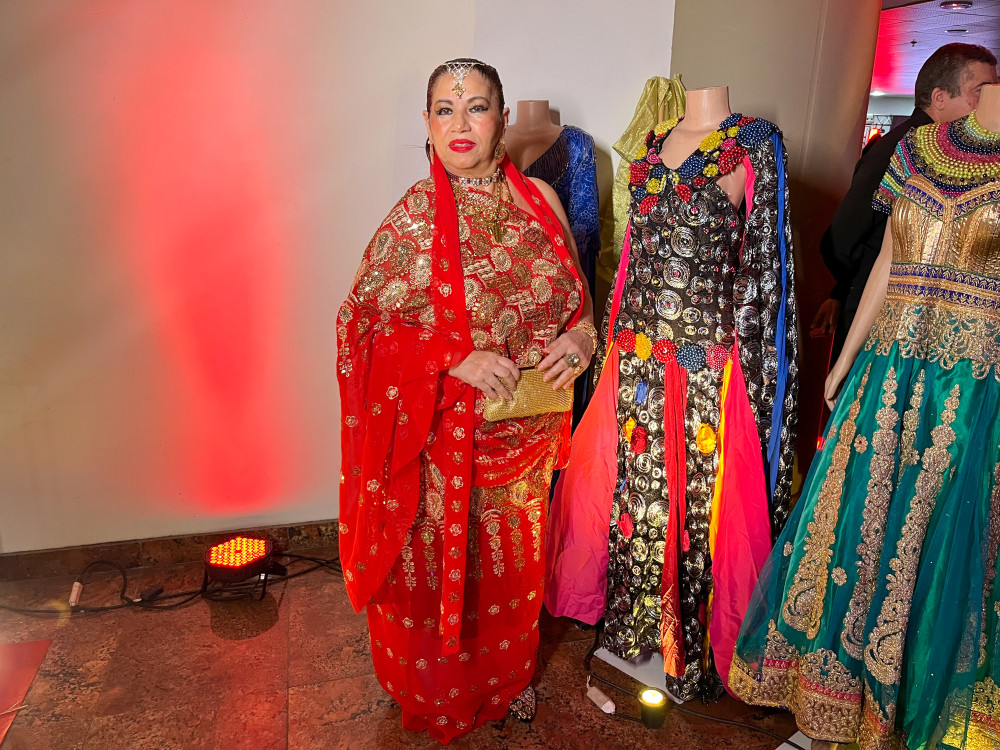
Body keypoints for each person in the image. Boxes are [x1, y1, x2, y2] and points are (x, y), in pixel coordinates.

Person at [730, 82, 1000, 750]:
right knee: (857, 527)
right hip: (887, 371)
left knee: (936, 545)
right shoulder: (919, 148)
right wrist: (848, 356)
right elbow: (887, 258)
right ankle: (833, 706)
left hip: (971, 388)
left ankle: (904, 716)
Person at [336, 58, 597, 744]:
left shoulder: (541, 200)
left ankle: (508, 680)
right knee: (439, 581)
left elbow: (582, 308)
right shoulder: (413, 219)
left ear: (502, 119)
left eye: (476, 107)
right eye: (444, 110)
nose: (460, 123)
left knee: (509, 579)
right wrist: (452, 357)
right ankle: (437, 691)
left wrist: (580, 340)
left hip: (527, 440)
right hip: (440, 448)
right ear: (426, 123)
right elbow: (361, 326)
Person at [811, 43, 998, 363]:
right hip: (879, 313)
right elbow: (842, 239)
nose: (992, 101)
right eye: (981, 91)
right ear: (940, 98)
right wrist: (850, 288)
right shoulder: (902, 149)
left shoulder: (962, 156)